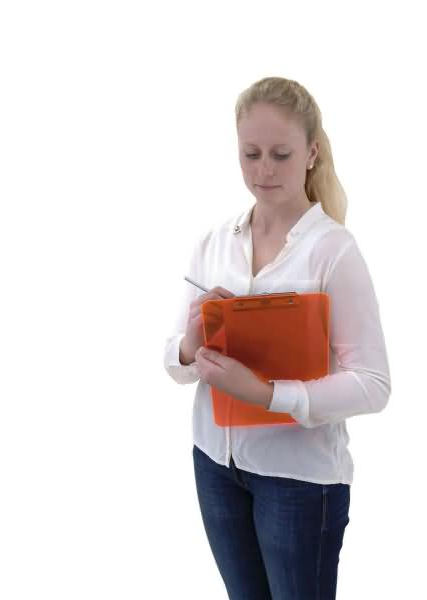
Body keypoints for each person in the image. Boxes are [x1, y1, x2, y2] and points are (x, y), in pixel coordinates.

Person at [163, 76, 392, 600]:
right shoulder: (213, 243)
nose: (264, 170)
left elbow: (373, 383)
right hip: (214, 465)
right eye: (251, 154)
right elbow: (175, 362)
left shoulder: (334, 251)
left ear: (311, 153)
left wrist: (267, 395)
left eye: (281, 154)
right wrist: (189, 343)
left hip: (298, 480)